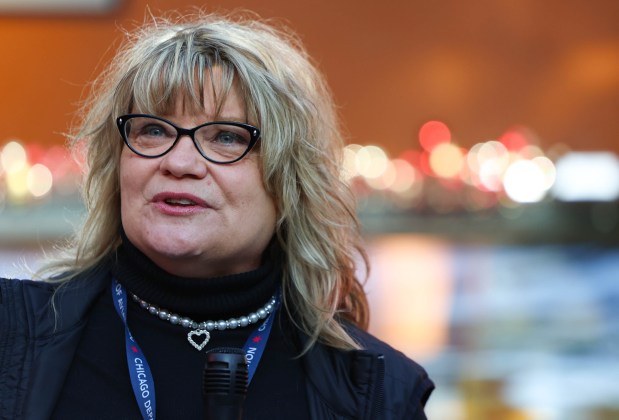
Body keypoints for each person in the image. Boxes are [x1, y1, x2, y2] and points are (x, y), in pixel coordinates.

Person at [0, 11, 434, 419]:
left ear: (290, 182)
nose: (180, 161)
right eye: (153, 130)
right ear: (116, 167)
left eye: (226, 137)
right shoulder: (12, 338)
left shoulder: (378, 392)